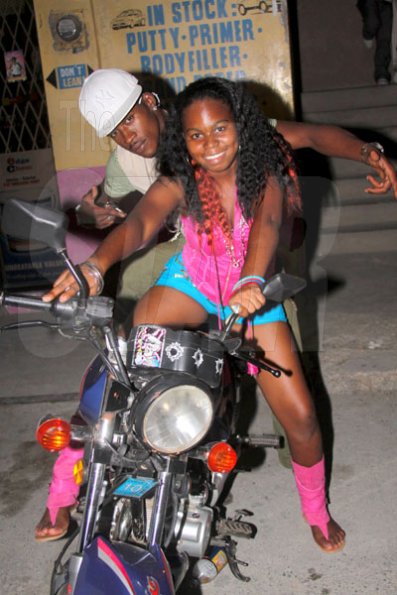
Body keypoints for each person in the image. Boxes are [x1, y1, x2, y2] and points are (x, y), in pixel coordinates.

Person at [34, 69, 397, 543]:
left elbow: (270, 217)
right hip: (193, 280)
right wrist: (96, 267)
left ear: (240, 125)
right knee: (117, 365)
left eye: (220, 129)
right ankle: (61, 494)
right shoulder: (181, 175)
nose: (210, 144)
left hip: (253, 297)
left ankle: (316, 510)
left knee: (302, 417)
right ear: (183, 141)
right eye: (197, 136)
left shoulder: (262, 162)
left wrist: (369, 152)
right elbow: (142, 222)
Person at [357, 0, 393, 85]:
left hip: (387, 4)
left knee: (385, 37)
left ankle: (382, 74)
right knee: (372, 22)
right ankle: (367, 34)